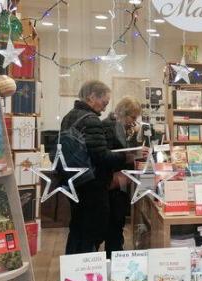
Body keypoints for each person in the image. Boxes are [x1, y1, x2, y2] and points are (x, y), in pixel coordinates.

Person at [60, 80, 127, 254]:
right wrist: (127, 156)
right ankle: (89, 272)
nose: (104, 109)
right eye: (104, 103)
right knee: (93, 231)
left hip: (74, 182)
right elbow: (101, 156)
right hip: (93, 185)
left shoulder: (69, 116)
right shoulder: (91, 120)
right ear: (91, 97)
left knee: (77, 228)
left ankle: (74, 271)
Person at [101, 96, 142, 256]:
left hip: (117, 184)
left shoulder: (118, 127)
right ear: (124, 113)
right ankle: (112, 259)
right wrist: (133, 156)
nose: (133, 121)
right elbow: (107, 155)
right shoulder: (109, 127)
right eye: (132, 117)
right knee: (113, 224)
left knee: (116, 224)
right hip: (111, 183)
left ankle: (114, 258)